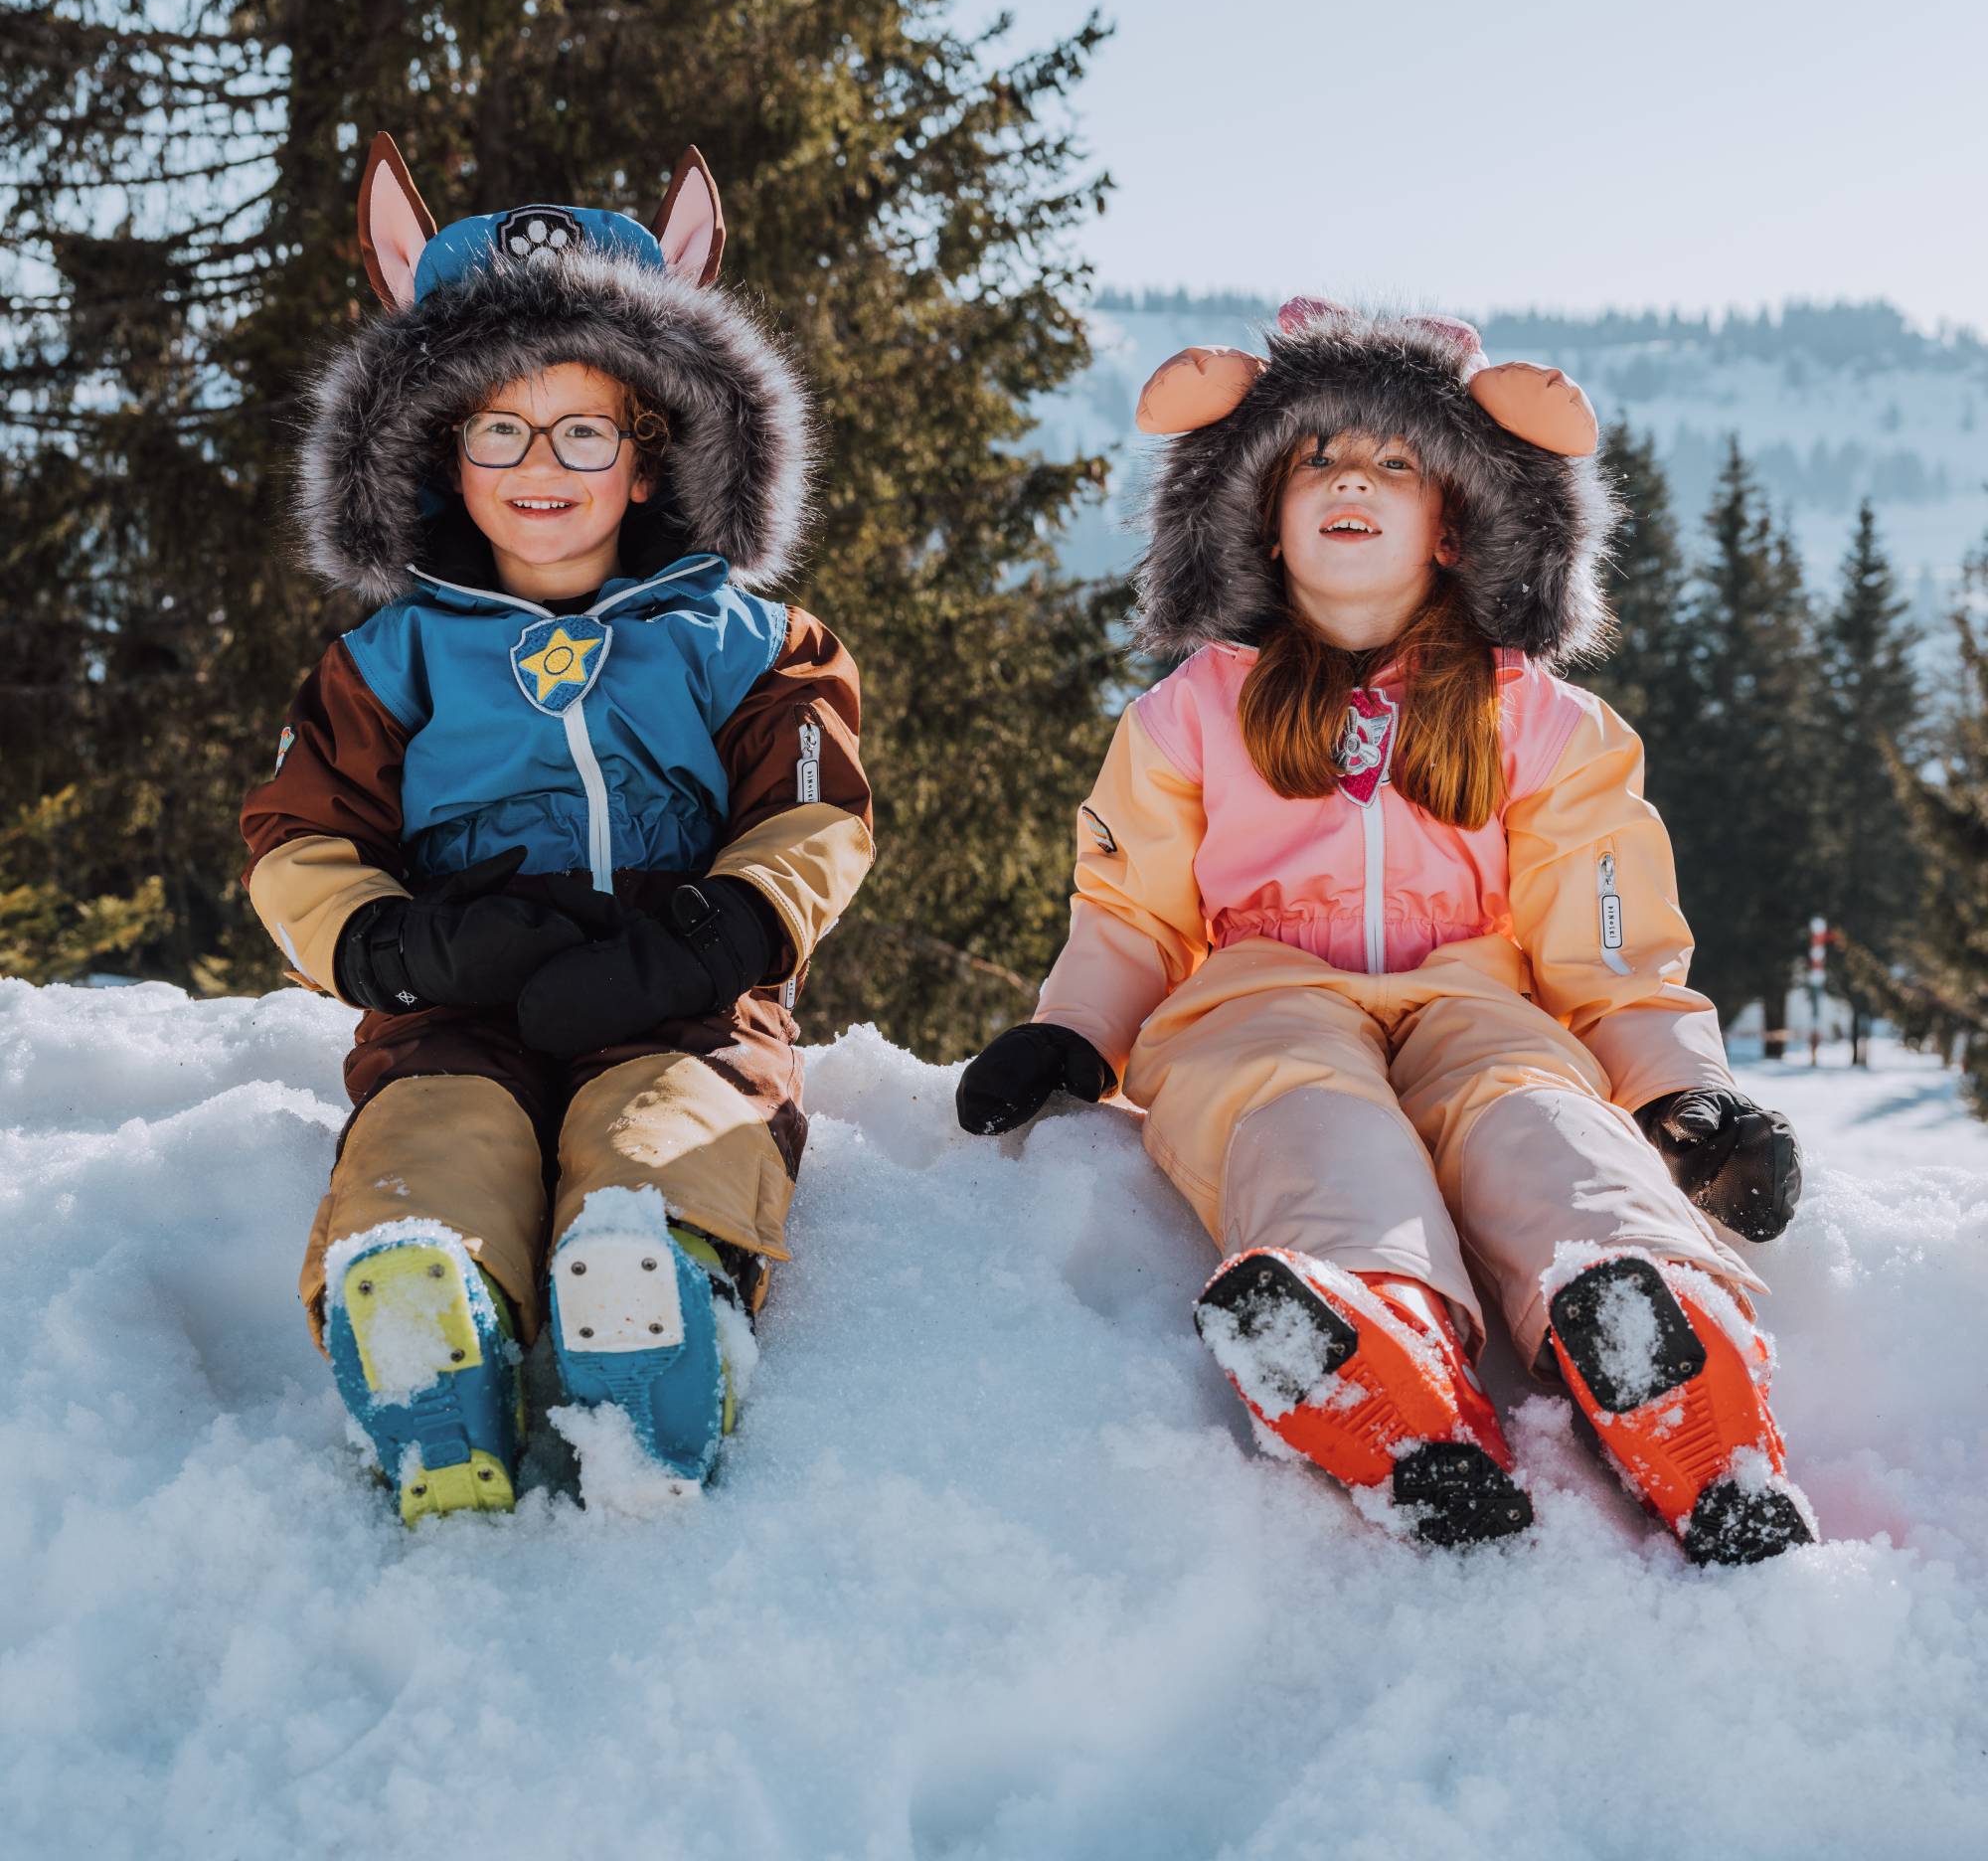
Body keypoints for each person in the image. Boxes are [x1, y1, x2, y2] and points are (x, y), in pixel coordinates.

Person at [956, 299, 1809, 1565]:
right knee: (1304, 1112)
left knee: (1537, 1115)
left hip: (1477, 1006)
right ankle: (1370, 1342)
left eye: (1394, 461)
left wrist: (1681, 1088)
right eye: (1315, 457)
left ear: (1454, 516)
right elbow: (1131, 908)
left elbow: (1607, 941)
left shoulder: (1542, 723)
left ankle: (1657, 1336)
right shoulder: (1192, 713)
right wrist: (1073, 1030)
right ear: (1256, 509)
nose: (1351, 476)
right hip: (1258, 999)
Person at [242, 135, 872, 1523]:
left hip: (677, 984)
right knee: (436, 1126)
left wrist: (720, 935)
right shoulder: (392, 657)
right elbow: (296, 837)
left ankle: (657, 1298)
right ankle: (425, 1317)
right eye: (501, 433)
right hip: (461, 984)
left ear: (646, 463)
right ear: (440, 460)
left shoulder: (742, 639)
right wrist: (400, 947)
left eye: (583, 433)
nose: (545, 467)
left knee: (671, 1123)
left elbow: (811, 805)